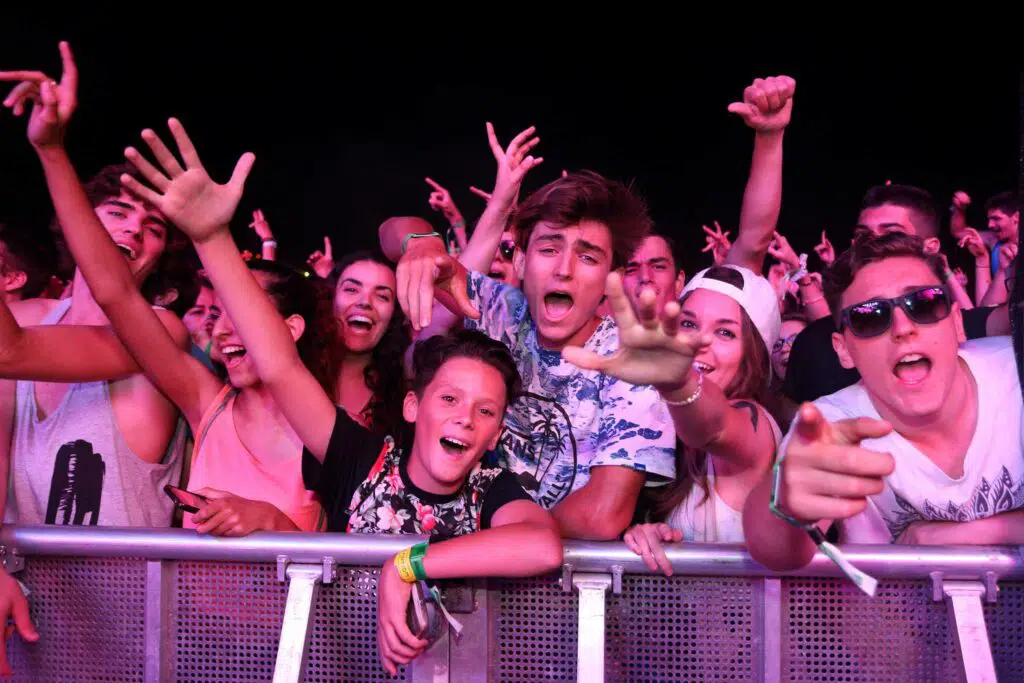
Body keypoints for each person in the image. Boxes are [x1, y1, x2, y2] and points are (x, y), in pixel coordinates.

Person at [387, 168, 677, 540]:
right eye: (549, 249)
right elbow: (391, 231)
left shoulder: (634, 363)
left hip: (568, 582)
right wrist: (422, 243)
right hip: (469, 563)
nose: (564, 271)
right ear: (522, 262)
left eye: (588, 258)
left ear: (612, 280)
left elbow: (604, 513)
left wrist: (483, 543)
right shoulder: (500, 309)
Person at [744, 231, 1024, 572]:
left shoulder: (1016, 376)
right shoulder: (833, 426)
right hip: (896, 623)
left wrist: (939, 539)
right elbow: (778, 550)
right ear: (843, 349)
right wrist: (786, 503)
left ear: (955, 322)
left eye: (924, 303)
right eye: (869, 316)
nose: (903, 328)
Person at [567, 266, 781, 573]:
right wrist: (644, 536)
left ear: (754, 355)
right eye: (689, 323)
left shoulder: (752, 420)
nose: (701, 341)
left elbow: (716, 427)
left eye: (725, 332)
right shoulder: (658, 424)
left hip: (750, 620)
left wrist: (677, 383)